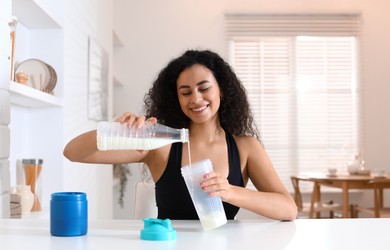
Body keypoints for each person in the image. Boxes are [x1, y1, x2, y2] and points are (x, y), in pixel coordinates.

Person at [63, 49, 297, 221]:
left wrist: (230, 192)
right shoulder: (159, 144)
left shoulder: (246, 148)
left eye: (204, 89)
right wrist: (115, 131)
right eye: (185, 92)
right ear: (177, 99)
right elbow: (72, 152)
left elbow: (288, 209)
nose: (196, 99)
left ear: (222, 90)